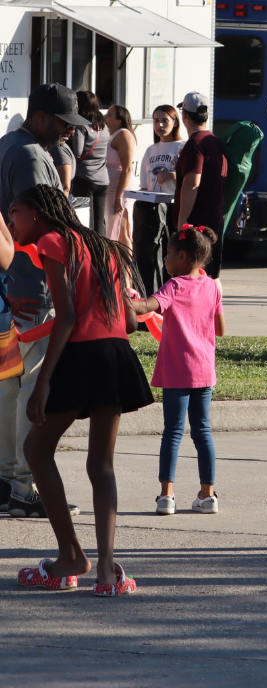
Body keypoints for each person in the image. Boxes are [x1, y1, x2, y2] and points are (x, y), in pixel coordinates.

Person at [13, 183, 152, 595]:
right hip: (116, 354)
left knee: (36, 450)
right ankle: (108, 573)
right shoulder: (106, 247)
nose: (11, 222)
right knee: (101, 465)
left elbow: (68, 316)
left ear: (38, 213)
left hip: (81, 354)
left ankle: (71, 556)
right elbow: (128, 320)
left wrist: (42, 384)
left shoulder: (55, 242)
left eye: (15, 213)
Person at [0, 83, 87, 519]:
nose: (69, 133)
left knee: (7, 387)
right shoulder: (32, 156)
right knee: (27, 388)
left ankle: (6, 480)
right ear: (39, 116)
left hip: (10, 285)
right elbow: (45, 225)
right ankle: (21, 484)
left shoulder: (10, 145)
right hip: (32, 287)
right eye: (63, 123)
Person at [131, 224, 225, 515]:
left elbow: (146, 306)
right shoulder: (212, 285)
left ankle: (166, 496)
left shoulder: (173, 286)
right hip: (204, 369)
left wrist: (125, 297)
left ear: (183, 257)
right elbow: (220, 329)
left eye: (168, 253)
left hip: (176, 370)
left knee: (172, 432)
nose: (165, 259)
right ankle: (207, 495)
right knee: (203, 431)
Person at [134, 105, 186, 295]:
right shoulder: (150, 150)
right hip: (152, 210)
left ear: (175, 122)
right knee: (150, 255)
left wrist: (172, 175)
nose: (160, 125)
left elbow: (193, 178)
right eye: (156, 120)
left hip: (173, 208)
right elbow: (144, 184)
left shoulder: (182, 146)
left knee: (170, 255)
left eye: (165, 120)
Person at [175, 92, 228, 278]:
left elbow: (192, 183)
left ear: (185, 115)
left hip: (197, 223)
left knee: (193, 278)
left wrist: (182, 220)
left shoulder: (195, 144)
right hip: (215, 220)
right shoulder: (215, 140)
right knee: (211, 278)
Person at [69, 91, 109, 236]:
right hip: (103, 180)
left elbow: (78, 153)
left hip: (84, 179)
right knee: (99, 225)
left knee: (84, 223)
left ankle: (88, 256)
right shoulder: (103, 125)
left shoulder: (82, 126)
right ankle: (102, 255)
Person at [104, 104, 137, 250]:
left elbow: (127, 167)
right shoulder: (111, 135)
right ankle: (120, 269)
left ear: (119, 121)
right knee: (114, 231)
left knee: (121, 232)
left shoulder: (123, 134)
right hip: (112, 189)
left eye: (109, 114)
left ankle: (126, 271)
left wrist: (119, 196)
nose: (105, 116)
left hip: (120, 190)